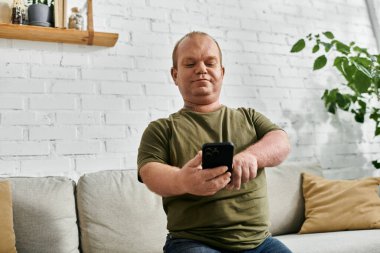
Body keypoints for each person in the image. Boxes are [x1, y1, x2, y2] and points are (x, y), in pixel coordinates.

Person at [137, 31, 292, 253]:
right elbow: (150, 173)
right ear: (175, 75)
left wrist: (251, 156)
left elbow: (281, 141)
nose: (201, 69)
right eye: (190, 64)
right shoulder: (162, 129)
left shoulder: (249, 117)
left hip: (260, 243)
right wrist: (183, 181)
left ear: (222, 72)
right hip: (194, 243)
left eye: (210, 63)